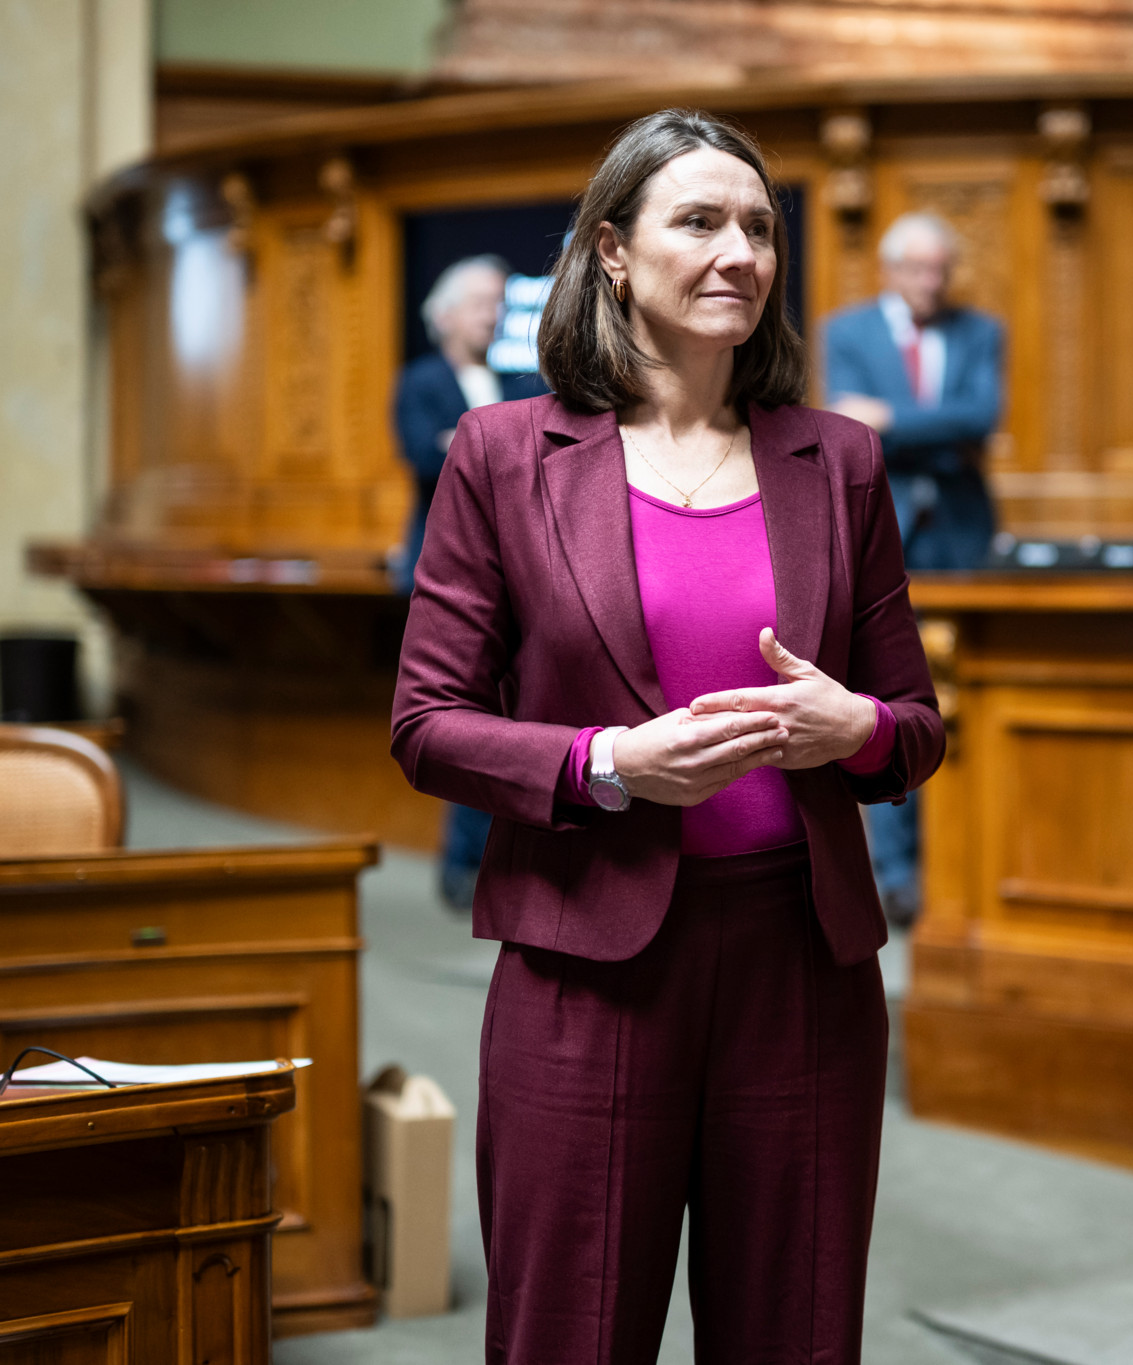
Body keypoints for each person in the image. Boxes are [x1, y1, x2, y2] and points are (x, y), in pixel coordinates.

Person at [392, 109, 942, 1363]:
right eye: (697, 221)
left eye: (757, 226)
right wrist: (601, 764)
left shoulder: (838, 463)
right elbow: (427, 725)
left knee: (792, 1334)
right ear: (611, 254)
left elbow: (911, 730)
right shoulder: (499, 454)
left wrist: (852, 727)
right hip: (587, 967)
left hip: (801, 968)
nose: (737, 251)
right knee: (570, 1337)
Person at [820, 211, 1004, 926]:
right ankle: (897, 872)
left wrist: (896, 422)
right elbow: (851, 424)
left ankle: (966, 859)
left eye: (941, 270)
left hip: (963, 536)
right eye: (918, 270)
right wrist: (929, 425)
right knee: (887, 699)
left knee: (963, 696)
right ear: (891, 270)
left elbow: (980, 414)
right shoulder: (850, 329)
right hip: (883, 530)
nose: (931, 283)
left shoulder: (980, 330)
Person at [393, 254, 547, 910]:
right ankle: (462, 863)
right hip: (447, 570)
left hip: (523, 574)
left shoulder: (519, 380)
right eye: (484, 302)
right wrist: (494, 449)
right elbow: (426, 456)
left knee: (511, 725)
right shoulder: (422, 380)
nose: (496, 314)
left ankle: (492, 861)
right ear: (446, 312)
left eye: (501, 302)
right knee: (458, 723)